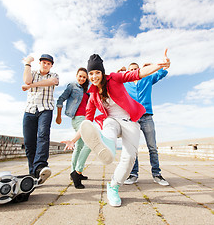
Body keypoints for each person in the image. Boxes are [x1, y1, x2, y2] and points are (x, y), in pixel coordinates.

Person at [61, 51, 170, 206]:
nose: (93, 77)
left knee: (130, 157)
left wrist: (158, 65)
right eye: (91, 73)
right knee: (109, 126)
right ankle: (108, 149)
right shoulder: (92, 96)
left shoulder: (115, 78)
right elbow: (87, 122)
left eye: (97, 72)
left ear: (102, 72)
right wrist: (73, 140)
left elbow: (137, 74)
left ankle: (113, 186)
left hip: (130, 121)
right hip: (111, 121)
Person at [122, 51, 170, 186]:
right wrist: (119, 72)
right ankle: (133, 174)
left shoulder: (147, 78)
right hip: (132, 119)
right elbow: (110, 84)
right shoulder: (125, 84)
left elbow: (163, 71)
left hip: (147, 117)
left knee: (152, 147)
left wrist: (162, 63)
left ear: (139, 70)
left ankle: (157, 174)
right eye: (130, 70)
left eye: (135, 69)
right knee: (133, 148)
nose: (133, 71)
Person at [22, 54, 59, 185]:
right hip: (30, 110)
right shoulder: (32, 73)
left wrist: (31, 86)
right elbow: (27, 80)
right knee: (29, 142)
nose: (46, 65)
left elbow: (52, 82)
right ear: (40, 63)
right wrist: (27, 63)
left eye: (48, 63)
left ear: (51, 66)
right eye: (43, 62)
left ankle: (40, 166)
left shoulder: (54, 75)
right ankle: (33, 174)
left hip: (45, 109)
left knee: (43, 136)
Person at [56, 67, 91, 189]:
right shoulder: (72, 86)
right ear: (76, 76)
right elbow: (61, 98)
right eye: (80, 76)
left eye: (84, 77)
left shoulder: (88, 89)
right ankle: (77, 172)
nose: (82, 78)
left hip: (85, 119)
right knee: (89, 144)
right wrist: (59, 115)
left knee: (80, 146)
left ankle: (73, 172)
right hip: (77, 119)